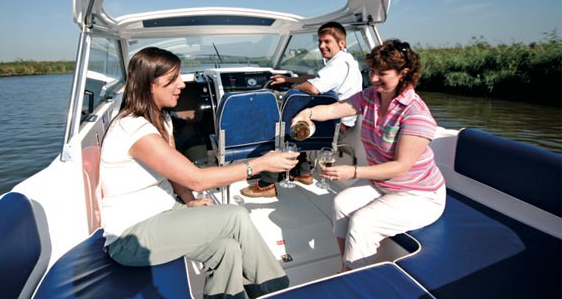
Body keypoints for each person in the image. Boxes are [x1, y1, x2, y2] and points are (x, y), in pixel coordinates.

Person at [99, 47, 297, 299]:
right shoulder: (132, 129)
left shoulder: (160, 119)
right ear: (149, 85)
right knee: (236, 217)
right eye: (172, 80)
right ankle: (279, 293)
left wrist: (190, 201)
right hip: (130, 237)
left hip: (165, 212)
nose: (182, 84)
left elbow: (174, 173)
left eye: (179, 76)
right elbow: (196, 178)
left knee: (226, 249)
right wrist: (259, 164)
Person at [290, 39, 446, 271]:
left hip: (418, 195)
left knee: (364, 222)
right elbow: (334, 109)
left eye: (382, 73)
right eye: (371, 71)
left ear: (404, 73)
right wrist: (307, 113)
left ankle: (357, 282)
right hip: (384, 184)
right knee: (341, 203)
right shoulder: (370, 97)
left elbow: (400, 167)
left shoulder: (415, 114)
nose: (373, 78)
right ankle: (346, 268)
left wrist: (352, 171)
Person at [241, 21, 362, 198]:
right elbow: (315, 78)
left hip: (333, 126)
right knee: (296, 122)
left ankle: (267, 183)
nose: (322, 46)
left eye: (327, 42)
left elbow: (314, 88)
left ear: (342, 43)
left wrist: (292, 90)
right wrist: (288, 80)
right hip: (336, 124)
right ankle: (303, 172)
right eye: (320, 42)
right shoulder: (345, 61)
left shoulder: (339, 64)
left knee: (279, 131)